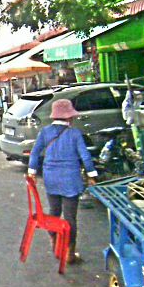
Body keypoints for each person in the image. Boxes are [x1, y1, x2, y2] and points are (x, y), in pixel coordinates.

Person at [27, 98, 99, 265]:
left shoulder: (45, 132)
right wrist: (92, 175)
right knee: (70, 217)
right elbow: (85, 156)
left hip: (51, 178)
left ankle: (54, 242)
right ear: (69, 117)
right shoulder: (75, 134)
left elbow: (35, 152)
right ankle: (69, 252)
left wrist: (32, 172)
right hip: (70, 180)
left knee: (54, 211)